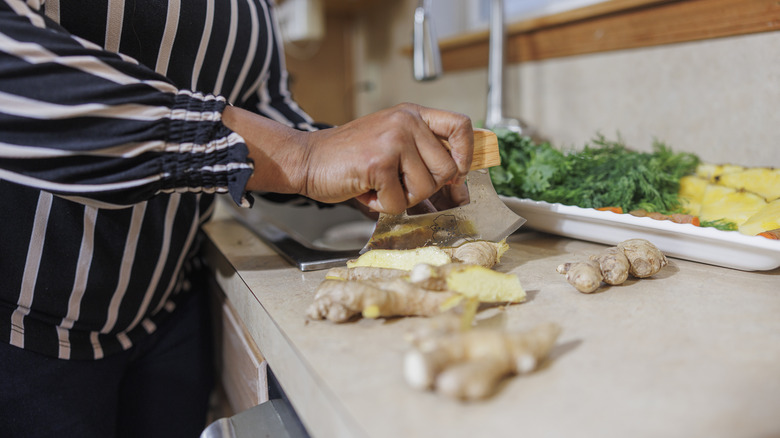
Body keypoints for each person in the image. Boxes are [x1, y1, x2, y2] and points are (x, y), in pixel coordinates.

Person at [0, 0, 474, 436]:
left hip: (170, 313)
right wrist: (302, 157)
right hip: (25, 337)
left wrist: (344, 158)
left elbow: (262, 104)